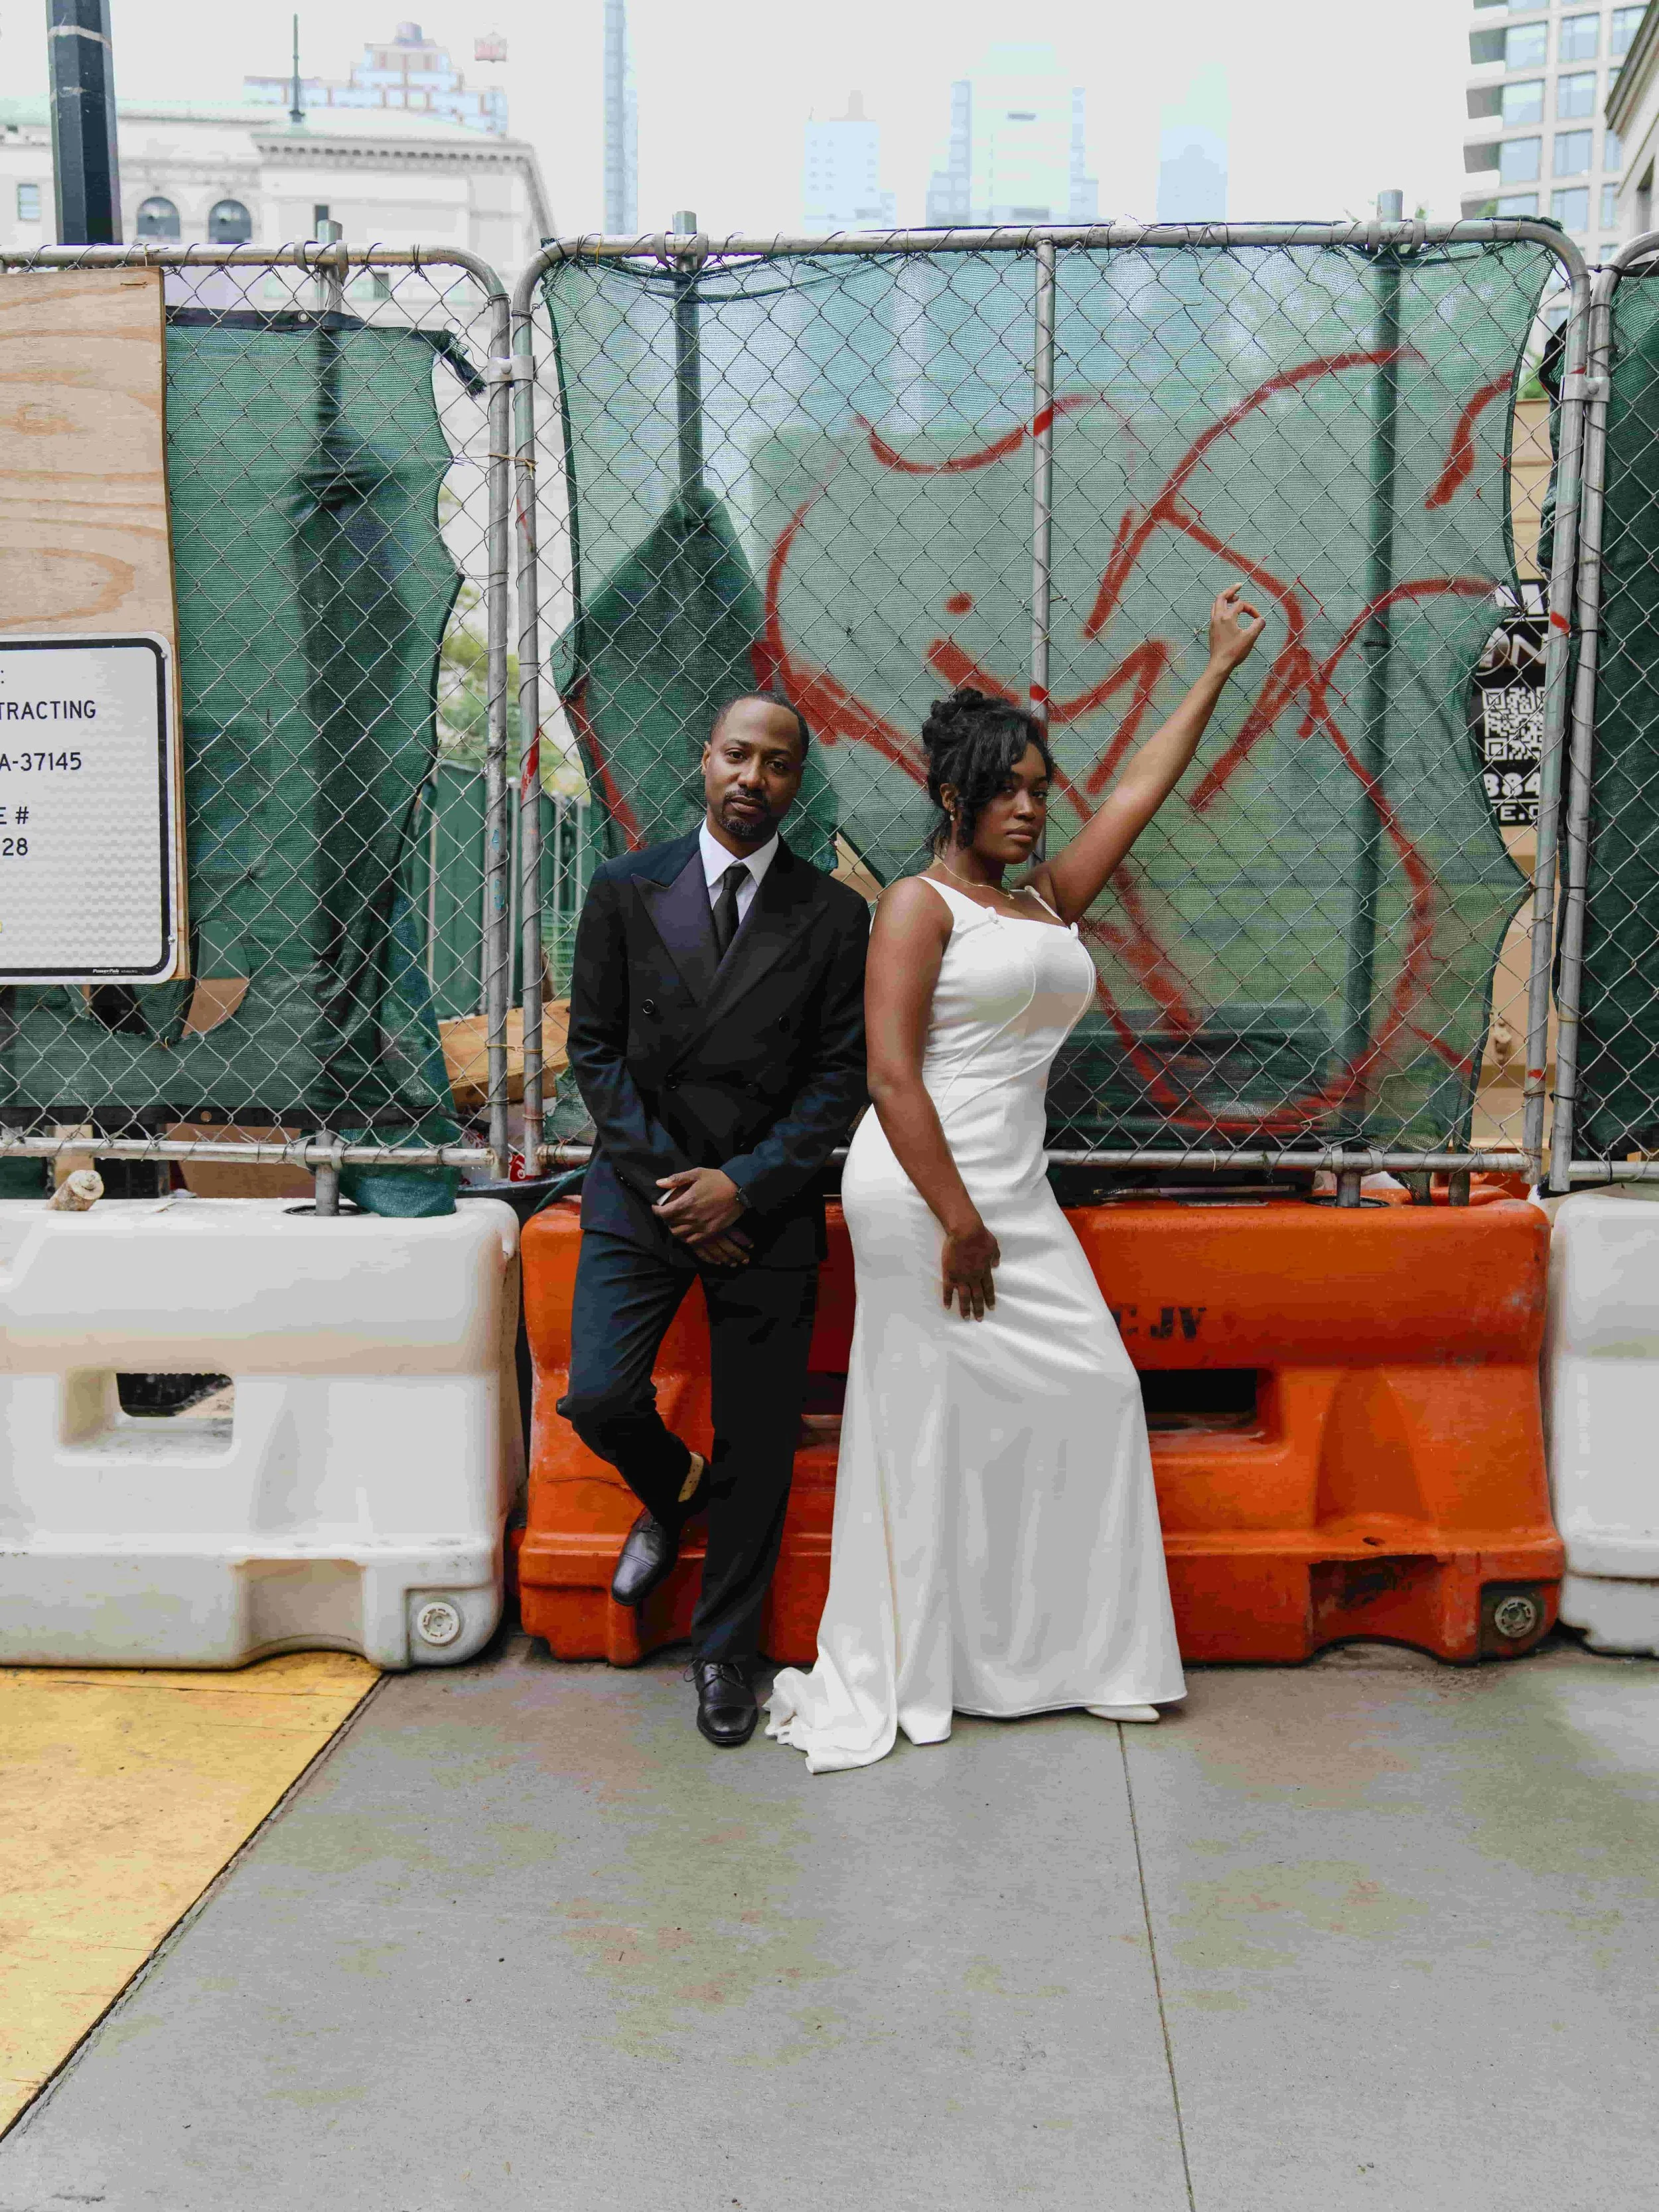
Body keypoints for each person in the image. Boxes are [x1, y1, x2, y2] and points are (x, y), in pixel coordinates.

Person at [767, 585, 1266, 1773]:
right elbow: (891, 1078)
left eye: (1043, 789)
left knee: (1092, 1394)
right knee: (932, 1426)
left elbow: (1138, 791)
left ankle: (1054, 1659)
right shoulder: (915, 906)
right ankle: (928, 1666)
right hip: (926, 1192)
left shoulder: (1043, 900)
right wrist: (959, 1220)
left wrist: (1216, 667)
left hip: (1013, 1193)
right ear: (954, 795)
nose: (1034, 807)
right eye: (1012, 789)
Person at [559, 692, 869, 1748]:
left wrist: (743, 1185)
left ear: (796, 782)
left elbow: (838, 1082)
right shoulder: (623, 888)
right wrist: (682, 1193)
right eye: (737, 754)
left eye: (777, 765)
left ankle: (726, 1654)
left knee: (759, 1437)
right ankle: (669, 1483)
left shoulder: (834, 916)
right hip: (645, 1194)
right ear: (704, 758)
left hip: (766, 1205)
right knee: (598, 1396)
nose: (754, 778)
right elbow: (592, 1052)